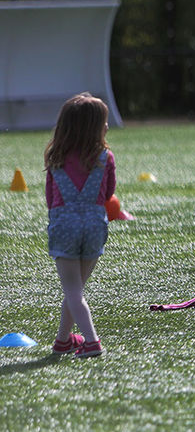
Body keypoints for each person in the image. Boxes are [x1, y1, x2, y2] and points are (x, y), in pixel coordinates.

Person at [43, 92, 116, 359]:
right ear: (93, 127)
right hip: (95, 226)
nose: (107, 127)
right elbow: (108, 193)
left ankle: (91, 341)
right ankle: (63, 341)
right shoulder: (105, 157)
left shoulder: (56, 157)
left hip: (64, 227)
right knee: (76, 290)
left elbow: (51, 199)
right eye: (103, 122)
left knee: (73, 291)